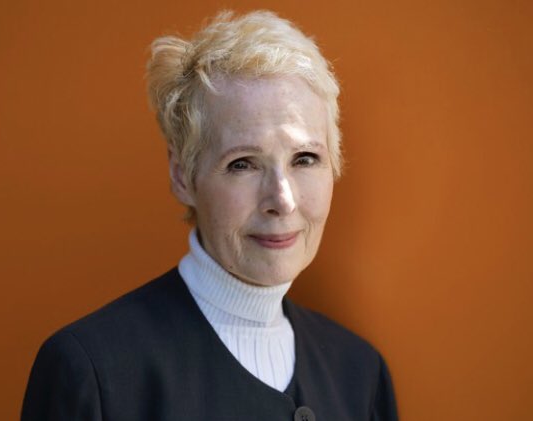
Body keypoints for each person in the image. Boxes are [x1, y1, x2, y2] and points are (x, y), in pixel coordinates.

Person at [22, 10, 398, 421]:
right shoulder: (91, 374)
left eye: (305, 158)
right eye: (243, 164)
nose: (283, 199)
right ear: (183, 176)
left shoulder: (361, 375)